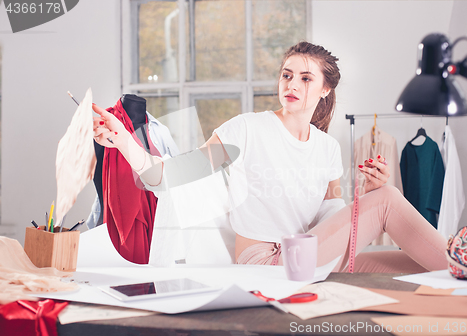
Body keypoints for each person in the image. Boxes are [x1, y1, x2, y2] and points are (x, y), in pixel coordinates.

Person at [92, 41, 448, 272]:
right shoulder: (246, 130)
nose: (292, 84)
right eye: (287, 75)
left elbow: (332, 212)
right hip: (268, 261)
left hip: (312, 255)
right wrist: (124, 140)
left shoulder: (326, 148)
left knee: (418, 265)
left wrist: (366, 193)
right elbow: (171, 177)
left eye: (306, 79)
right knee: (389, 201)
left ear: (325, 90)